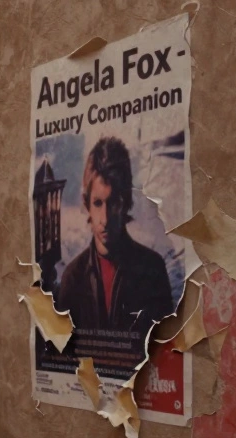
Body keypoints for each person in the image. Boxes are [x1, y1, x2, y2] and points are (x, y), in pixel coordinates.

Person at [55, 137, 174, 335]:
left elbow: (166, 351)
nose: (105, 219)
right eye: (98, 203)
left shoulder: (152, 270)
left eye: (114, 203)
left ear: (126, 203)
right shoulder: (72, 278)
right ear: (87, 206)